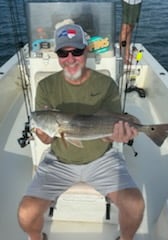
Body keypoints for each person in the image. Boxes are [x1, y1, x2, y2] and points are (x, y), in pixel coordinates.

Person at [17, 23, 144, 240]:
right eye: (63, 53)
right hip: (59, 161)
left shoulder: (106, 84)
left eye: (76, 51)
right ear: (57, 55)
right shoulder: (46, 86)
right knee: (25, 213)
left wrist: (119, 134)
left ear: (86, 51)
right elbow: (46, 134)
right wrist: (43, 135)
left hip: (101, 158)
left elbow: (111, 125)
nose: (70, 58)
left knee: (135, 205)